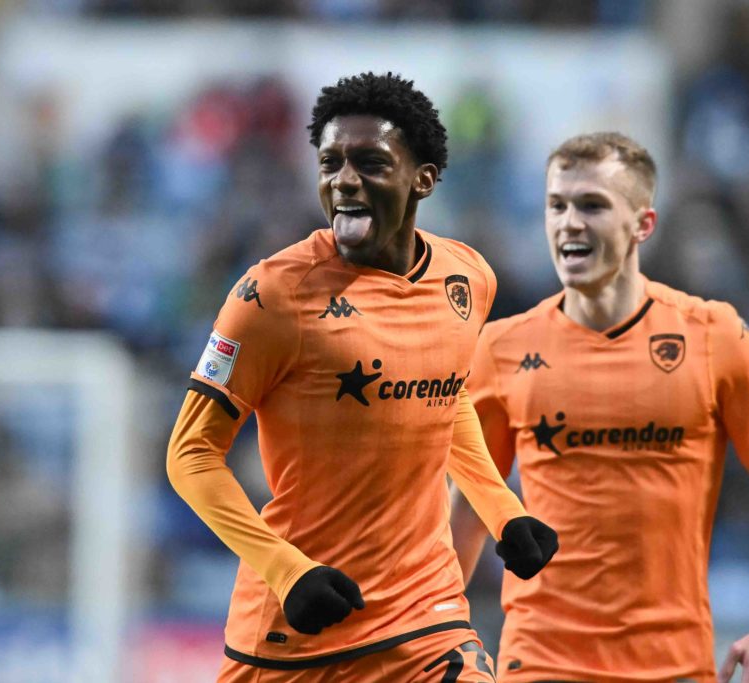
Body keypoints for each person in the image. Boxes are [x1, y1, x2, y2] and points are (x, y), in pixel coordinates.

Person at [165, 71, 558, 683]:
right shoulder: (271, 295)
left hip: (424, 619)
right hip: (296, 632)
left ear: (422, 178)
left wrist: (502, 509)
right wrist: (286, 570)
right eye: (330, 163)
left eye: (370, 163)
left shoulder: (468, 279)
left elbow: (440, 396)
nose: (344, 181)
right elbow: (190, 454)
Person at [450, 132, 749, 683]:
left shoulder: (715, 335)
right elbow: (472, 503)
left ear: (644, 224)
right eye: (557, 205)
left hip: (673, 663)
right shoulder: (501, 348)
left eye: (592, 205)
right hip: (541, 660)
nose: (569, 222)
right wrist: (436, 628)